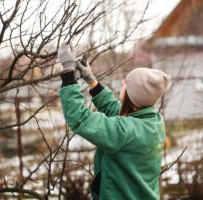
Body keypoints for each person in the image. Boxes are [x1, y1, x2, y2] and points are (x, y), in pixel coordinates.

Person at [58, 43, 170, 200]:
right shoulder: (154, 121)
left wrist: (68, 71)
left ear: (133, 96)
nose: (123, 82)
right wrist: (91, 81)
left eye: (127, 84)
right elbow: (116, 109)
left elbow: (81, 118)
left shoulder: (125, 132)